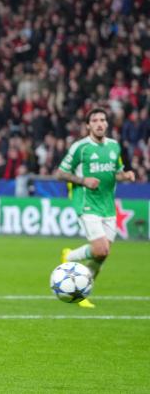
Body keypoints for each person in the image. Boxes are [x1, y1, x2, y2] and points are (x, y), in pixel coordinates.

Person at [56, 108, 136, 308]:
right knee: (100, 248)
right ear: (88, 125)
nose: (99, 123)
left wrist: (125, 176)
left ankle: (82, 292)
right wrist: (83, 180)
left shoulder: (114, 147)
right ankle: (71, 256)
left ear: (107, 124)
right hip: (87, 203)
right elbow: (60, 173)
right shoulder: (80, 148)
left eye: (103, 120)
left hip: (108, 207)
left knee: (103, 253)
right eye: (95, 120)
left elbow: (115, 172)